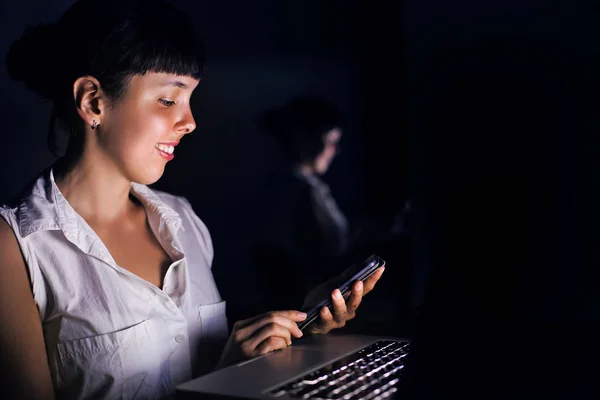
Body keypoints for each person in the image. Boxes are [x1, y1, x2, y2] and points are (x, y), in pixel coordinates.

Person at [0, 1, 385, 399]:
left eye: (189, 100)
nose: (190, 122)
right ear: (93, 101)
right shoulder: (15, 245)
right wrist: (226, 378)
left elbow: (201, 361)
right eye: (168, 100)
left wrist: (303, 330)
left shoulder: (183, 219)